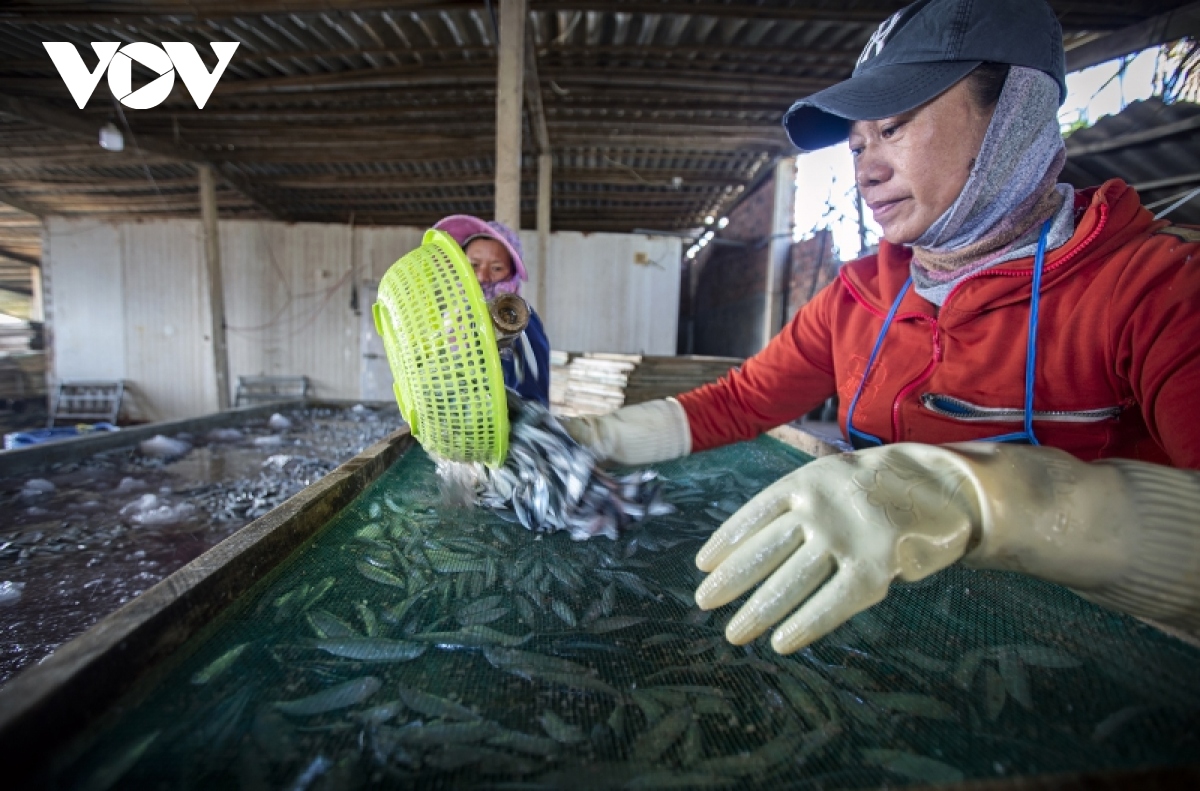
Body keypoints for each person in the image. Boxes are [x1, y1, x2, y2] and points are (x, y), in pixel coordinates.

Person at [563, 0, 1200, 656]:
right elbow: (740, 401)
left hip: (1080, 659)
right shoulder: (862, 294)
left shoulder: (1159, 288)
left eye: (893, 128)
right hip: (893, 633)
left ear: (1016, 114)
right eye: (858, 143)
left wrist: (1008, 500)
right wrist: (590, 436)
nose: (866, 169)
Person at [432, 214, 551, 406]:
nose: (482, 277)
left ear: (512, 274)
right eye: (473, 265)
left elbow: (533, 394)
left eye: (496, 268)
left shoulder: (522, 321)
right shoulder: (447, 317)